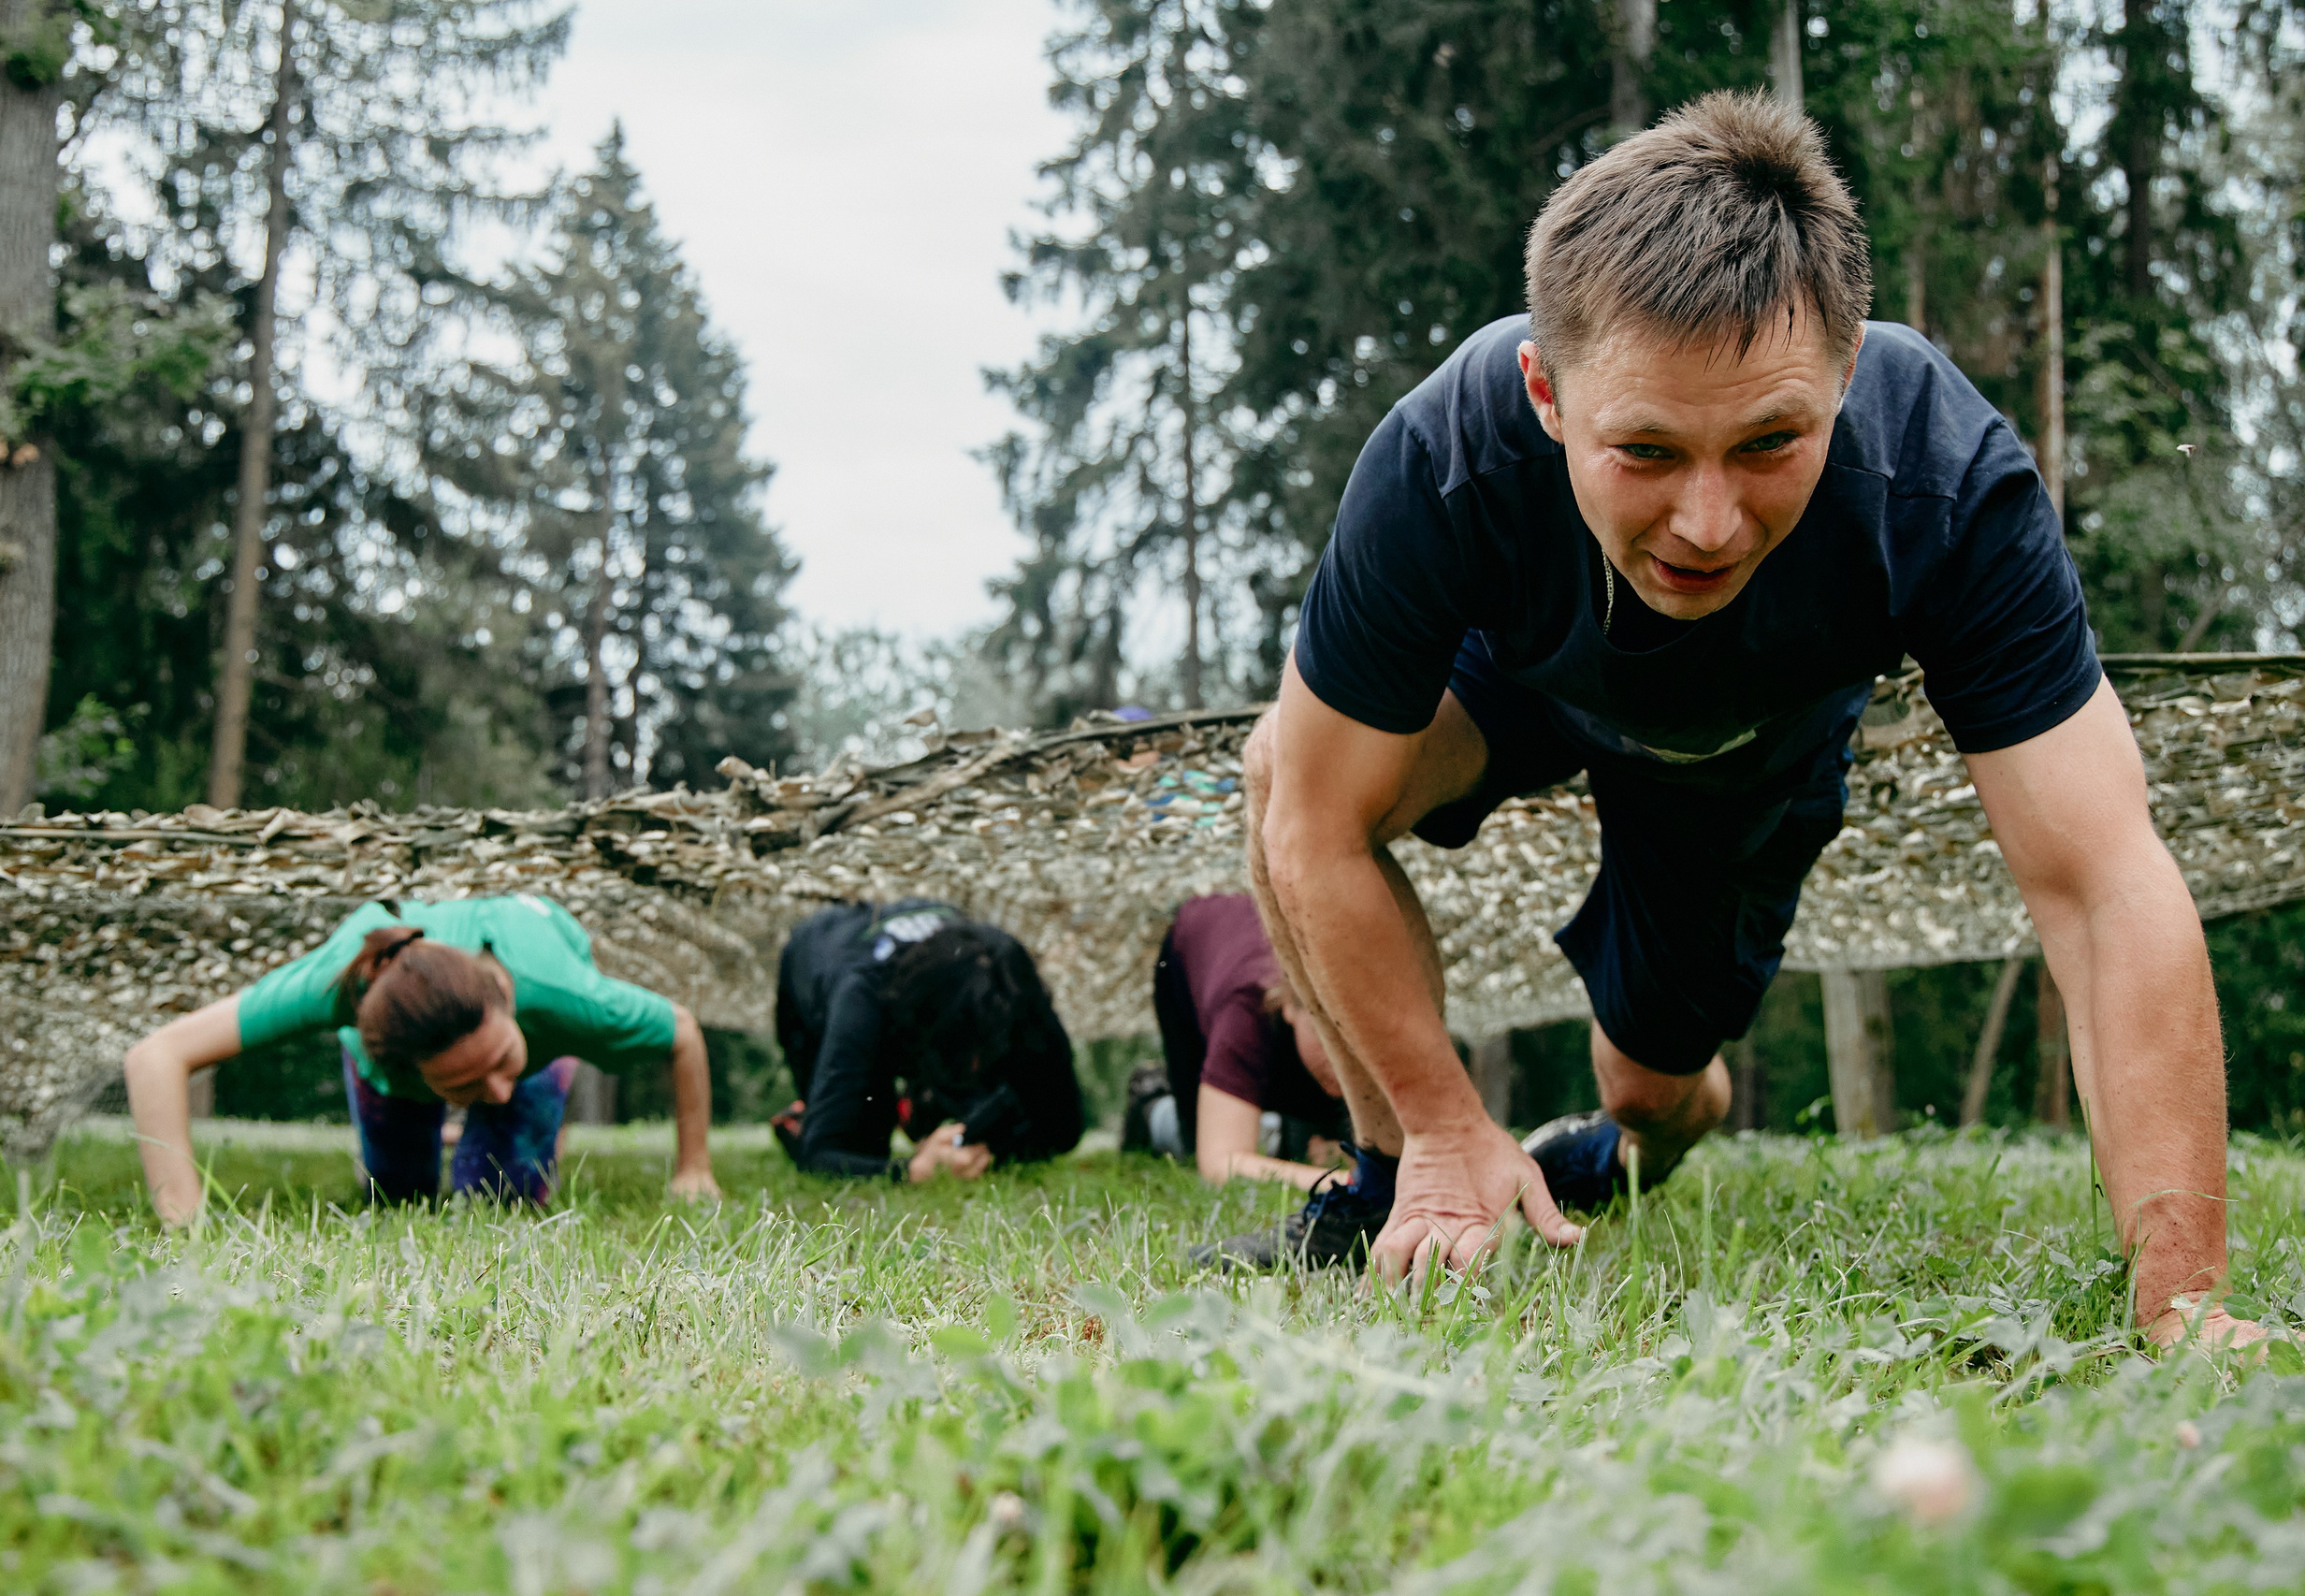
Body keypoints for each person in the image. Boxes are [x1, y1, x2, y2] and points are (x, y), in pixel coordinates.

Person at [1218, 91, 2259, 1350]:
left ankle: (1633, 1133)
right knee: (1283, 764)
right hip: (1517, 683)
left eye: (1769, 442)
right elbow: (1316, 824)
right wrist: (1440, 1121)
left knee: (1650, 1084)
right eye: (1647, 452)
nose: (1706, 525)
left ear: (1847, 372)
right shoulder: (1441, 456)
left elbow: (2105, 883)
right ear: (1546, 393)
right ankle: (1394, 1177)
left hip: (1745, 749)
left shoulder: (1941, 478)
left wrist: (2184, 1302)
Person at [123, 892, 719, 1222]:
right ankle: (425, 1117)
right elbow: (157, 1055)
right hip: (393, 1070)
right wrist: (182, 1217)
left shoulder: (567, 997)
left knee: (503, 1200)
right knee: (397, 1199)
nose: (497, 1089)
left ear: (504, 997)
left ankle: (526, 1103)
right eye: (464, 1081)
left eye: (500, 1059)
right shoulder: (338, 982)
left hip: (542, 1035)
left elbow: (684, 1033)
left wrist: (694, 1168)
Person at [771, 899, 1085, 1180]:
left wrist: (989, 1145)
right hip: (819, 957)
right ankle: (808, 1116)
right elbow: (821, 1156)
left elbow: (1064, 1129)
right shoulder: (861, 1004)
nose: (977, 1066)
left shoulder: (1012, 985)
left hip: (930, 1001)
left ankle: (921, 1112)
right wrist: (913, 1171)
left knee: (1008, 1111)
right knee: (864, 1139)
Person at [1135, 893, 1352, 1189]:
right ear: (1290, 1005)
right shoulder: (1245, 1015)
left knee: (1310, 1147)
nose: (1345, 1060)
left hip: (1291, 1051)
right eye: (1327, 1036)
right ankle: (1152, 1108)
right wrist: (1349, 1184)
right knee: (1193, 1145)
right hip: (1190, 959)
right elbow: (1219, 1164)